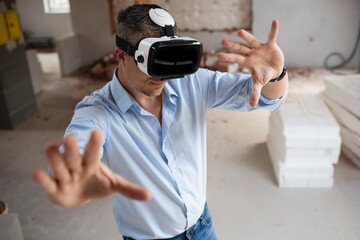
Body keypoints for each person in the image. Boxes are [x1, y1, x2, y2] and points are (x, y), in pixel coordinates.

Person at [33, 4, 288, 240]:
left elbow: (266, 99)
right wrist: (73, 180)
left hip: (202, 226)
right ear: (121, 55)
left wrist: (276, 76)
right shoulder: (98, 112)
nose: (162, 75)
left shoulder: (191, 82)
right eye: (152, 62)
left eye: (168, 58)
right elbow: (74, 155)